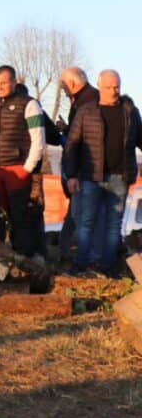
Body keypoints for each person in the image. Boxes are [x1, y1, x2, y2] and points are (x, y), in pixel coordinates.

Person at [64, 70, 141, 276]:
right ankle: (81, 264)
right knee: (86, 222)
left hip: (120, 177)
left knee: (114, 224)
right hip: (91, 177)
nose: (114, 91)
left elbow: (140, 139)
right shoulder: (86, 111)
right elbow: (72, 143)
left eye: (117, 86)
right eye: (108, 87)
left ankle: (107, 266)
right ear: (99, 87)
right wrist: (71, 175)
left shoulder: (130, 112)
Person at [0, 65, 46, 258]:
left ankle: (22, 257)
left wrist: (27, 168)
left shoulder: (29, 104)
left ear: (14, 82)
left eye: (4, 83)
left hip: (17, 169)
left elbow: (38, 139)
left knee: (19, 216)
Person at [57, 66, 99, 260]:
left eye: (64, 86)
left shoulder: (87, 103)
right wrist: (67, 129)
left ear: (72, 84)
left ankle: (73, 253)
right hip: (84, 165)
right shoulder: (84, 100)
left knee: (80, 213)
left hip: (86, 166)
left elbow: (83, 136)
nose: (64, 91)